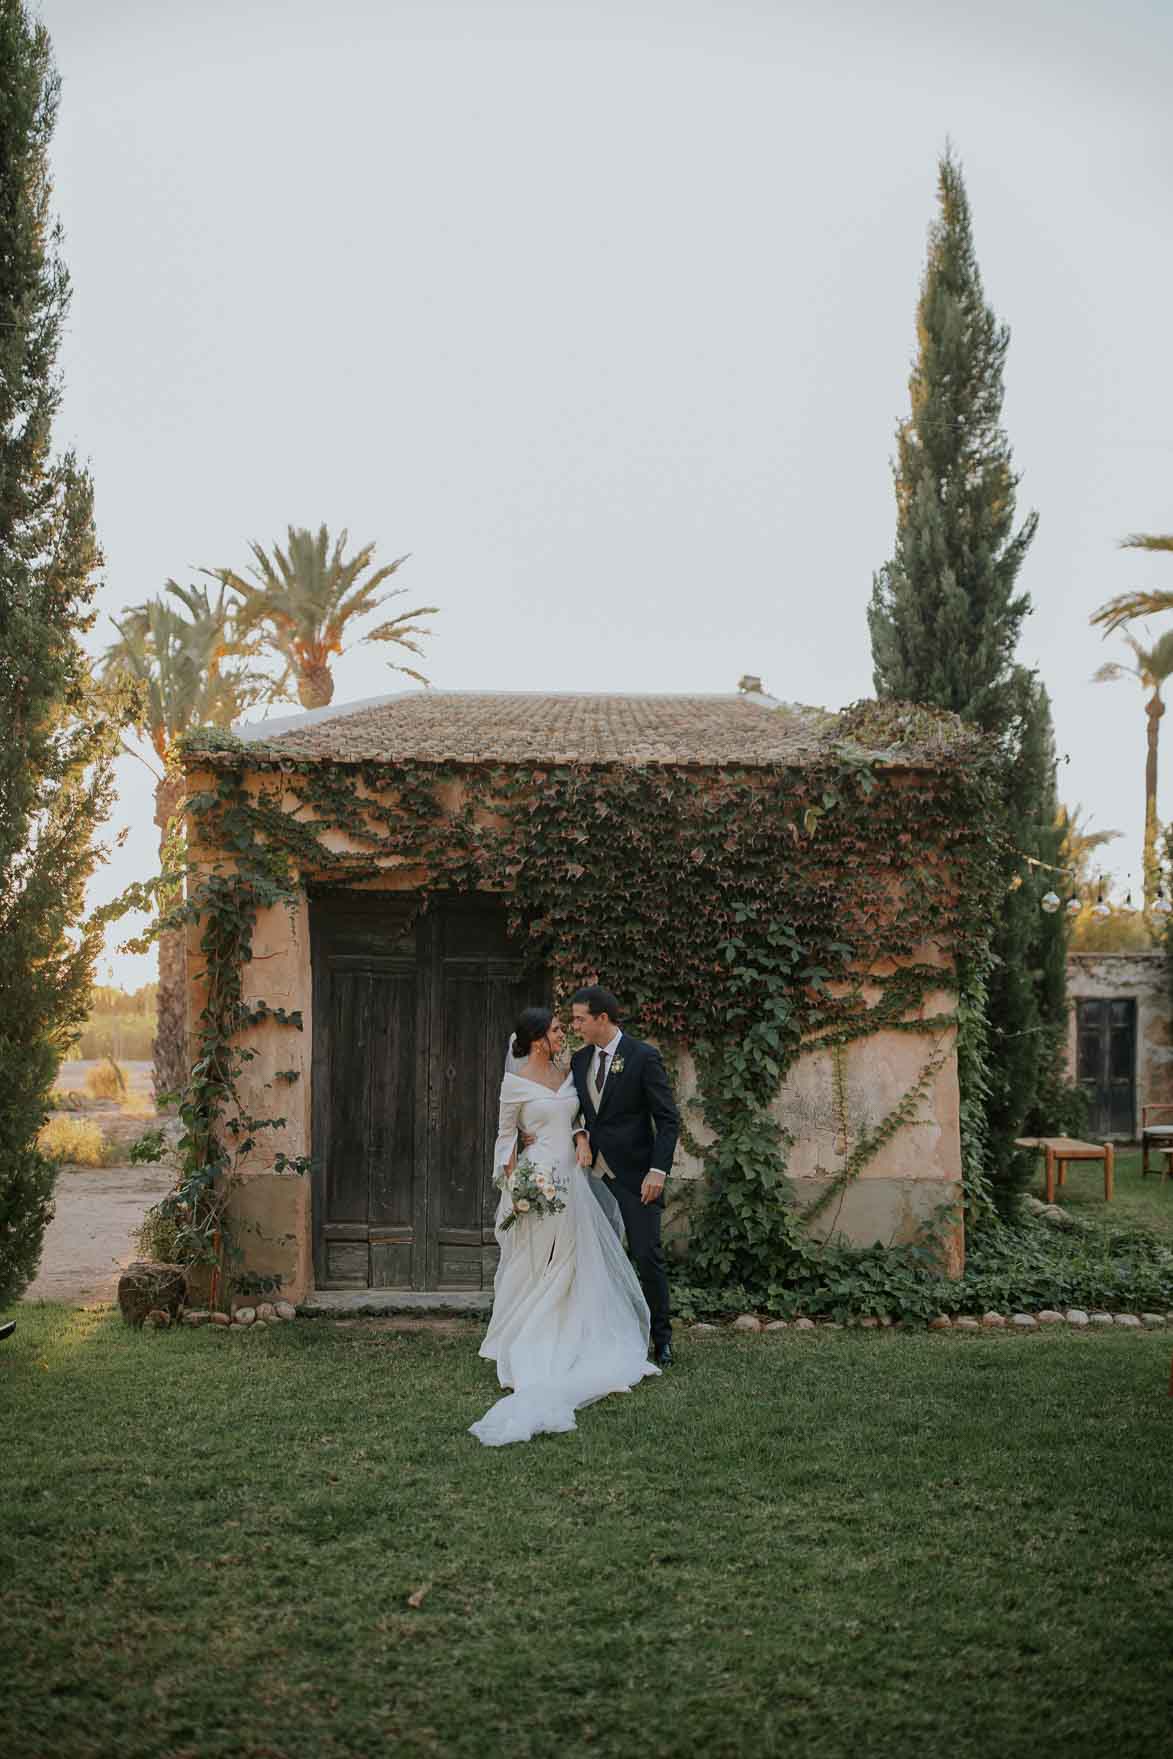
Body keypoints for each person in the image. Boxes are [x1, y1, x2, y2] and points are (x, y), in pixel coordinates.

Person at [469, 1005, 660, 1447]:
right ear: (539, 1039)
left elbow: (577, 1116)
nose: (564, 1035)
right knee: (538, 1260)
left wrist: (580, 1140)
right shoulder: (514, 1084)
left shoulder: (569, 1072)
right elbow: (505, 1136)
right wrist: (511, 1183)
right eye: (558, 1030)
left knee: (573, 1257)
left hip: (571, 1179)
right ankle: (525, 1335)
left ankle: (575, 1332)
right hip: (537, 1180)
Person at [569, 986, 679, 1367]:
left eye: (580, 1018)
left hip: (637, 1176)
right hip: (592, 1175)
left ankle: (661, 1338)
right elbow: (576, 1112)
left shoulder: (643, 1057)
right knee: (595, 1256)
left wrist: (658, 1170)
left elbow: (667, 1120)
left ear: (602, 1018)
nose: (575, 1025)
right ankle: (604, 1333)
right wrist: (579, 1136)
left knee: (647, 1255)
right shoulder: (579, 1060)